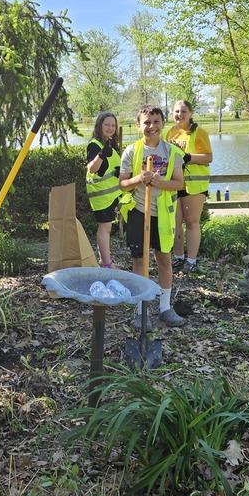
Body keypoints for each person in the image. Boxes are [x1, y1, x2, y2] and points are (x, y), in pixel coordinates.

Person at [119, 105, 187, 328]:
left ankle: (165, 307)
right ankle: (140, 310)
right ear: (138, 125)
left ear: (163, 124)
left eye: (156, 122)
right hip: (139, 212)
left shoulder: (172, 152)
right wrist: (138, 179)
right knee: (139, 260)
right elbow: (123, 184)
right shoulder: (132, 151)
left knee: (164, 259)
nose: (152, 126)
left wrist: (160, 183)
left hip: (163, 215)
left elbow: (179, 183)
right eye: (146, 122)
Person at [164, 100, 213, 274]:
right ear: (172, 113)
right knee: (175, 222)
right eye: (177, 111)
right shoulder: (169, 133)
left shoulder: (199, 133)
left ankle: (191, 260)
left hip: (194, 185)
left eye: (184, 111)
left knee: (192, 222)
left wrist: (188, 157)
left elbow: (208, 157)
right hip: (174, 183)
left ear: (191, 113)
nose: (180, 114)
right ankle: (178, 258)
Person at [84, 111, 123, 269]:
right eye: (107, 125)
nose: (110, 128)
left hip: (111, 194)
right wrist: (100, 155)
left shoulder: (111, 143)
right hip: (100, 195)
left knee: (108, 227)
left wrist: (118, 172)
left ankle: (105, 260)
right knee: (105, 227)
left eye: (113, 125)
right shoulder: (95, 145)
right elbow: (92, 168)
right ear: (99, 125)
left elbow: (109, 168)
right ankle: (106, 263)